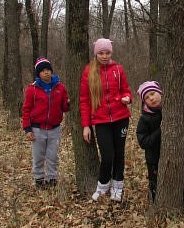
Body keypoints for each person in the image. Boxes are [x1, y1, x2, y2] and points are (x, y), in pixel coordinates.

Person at [80, 38, 132, 202]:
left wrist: (126, 99)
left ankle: (117, 186)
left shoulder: (118, 69)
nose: (104, 56)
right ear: (96, 53)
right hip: (101, 121)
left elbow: (127, 92)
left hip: (120, 118)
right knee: (107, 156)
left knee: (119, 154)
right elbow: (84, 100)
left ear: (111, 53)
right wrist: (86, 125)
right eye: (101, 53)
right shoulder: (89, 71)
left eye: (107, 52)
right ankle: (102, 186)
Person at [136, 81, 184, 208]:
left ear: (160, 92)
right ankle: (155, 207)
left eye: (153, 94)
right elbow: (143, 142)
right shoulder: (144, 119)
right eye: (147, 97)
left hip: (175, 154)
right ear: (144, 102)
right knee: (156, 184)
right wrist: (161, 130)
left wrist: (177, 126)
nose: (151, 98)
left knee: (182, 180)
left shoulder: (173, 107)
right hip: (154, 159)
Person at [22, 57, 70, 189]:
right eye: (43, 71)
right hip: (37, 129)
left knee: (52, 156)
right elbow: (26, 109)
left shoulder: (60, 87)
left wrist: (69, 103)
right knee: (38, 156)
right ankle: (38, 179)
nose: (46, 73)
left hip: (55, 129)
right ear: (38, 74)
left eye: (48, 70)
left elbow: (65, 107)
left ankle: (52, 179)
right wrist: (28, 129)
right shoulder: (32, 89)